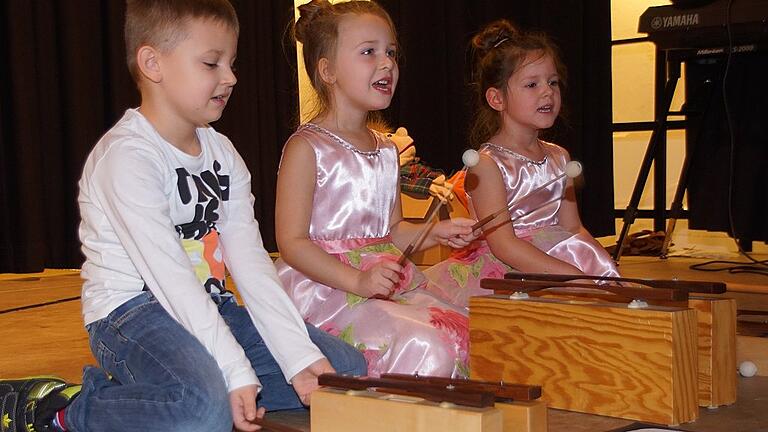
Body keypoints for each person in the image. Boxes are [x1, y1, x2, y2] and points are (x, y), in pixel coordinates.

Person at [0, 1, 366, 431]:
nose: (230, 77)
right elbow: (170, 278)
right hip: (132, 315)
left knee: (342, 371)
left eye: (231, 62)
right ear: (153, 63)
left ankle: (175, 391)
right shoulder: (128, 157)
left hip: (209, 306)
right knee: (202, 411)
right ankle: (63, 407)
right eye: (211, 63)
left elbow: (251, 264)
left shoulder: (223, 154)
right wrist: (233, 371)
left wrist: (299, 359)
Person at [274, 0, 478, 378]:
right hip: (326, 289)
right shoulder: (307, 147)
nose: (386, 63)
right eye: (369, 52)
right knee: (427, 344)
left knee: (463, 329)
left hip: (380, 278)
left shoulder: (386, 149)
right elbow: (292, 242)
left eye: (391, 53)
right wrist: (357, 280)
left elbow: (392, 232)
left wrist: (435, 232)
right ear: (327, 70)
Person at [424, 19, 619, 307]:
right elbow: (504, 245)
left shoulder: (559, 156)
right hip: (512, 270)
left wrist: (597, 265)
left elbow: (572, 227)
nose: (547, 92)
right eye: (531, 84)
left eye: (552, 82)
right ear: (496, 98)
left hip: (560, 258)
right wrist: (570, 277)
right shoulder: (487, 164)